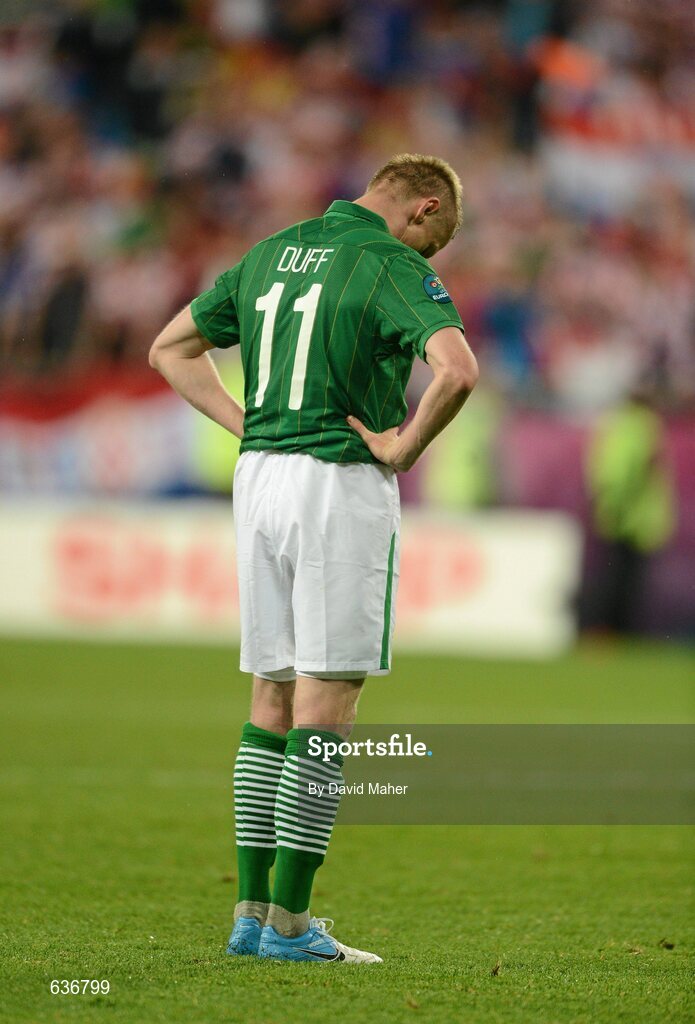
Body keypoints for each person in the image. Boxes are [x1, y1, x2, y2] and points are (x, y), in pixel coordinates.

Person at [149, 154, 478, 963]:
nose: (427, 257)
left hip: (258, 478)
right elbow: (457, 370)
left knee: (270, 694)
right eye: (432, 240)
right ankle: (291, 925)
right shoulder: (388, 263)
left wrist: (247, 421)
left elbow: (170, 347)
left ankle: (251, 916)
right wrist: (403, 445)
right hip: (336, 481)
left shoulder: (269, 250)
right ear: (422, 208)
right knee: (325, 704)